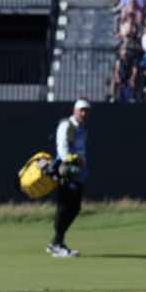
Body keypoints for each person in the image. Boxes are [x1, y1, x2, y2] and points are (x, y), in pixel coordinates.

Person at [47, 99, 89, 258]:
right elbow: (62, 149)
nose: (84, 113)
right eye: (81, 110)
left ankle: (55, 242)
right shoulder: (66, 125)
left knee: (74, 207)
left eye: (86, 111)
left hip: (77, 172)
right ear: (75, 110)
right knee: (65, 206)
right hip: (65, 171)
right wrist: (72, 162)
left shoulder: (83, 129)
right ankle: (57, 244)